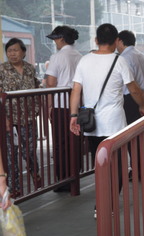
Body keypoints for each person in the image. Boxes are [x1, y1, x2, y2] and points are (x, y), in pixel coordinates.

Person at [69, 23, 144, 218]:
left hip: (91, 123)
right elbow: (134, 89)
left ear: (96, 40)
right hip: (114, 123)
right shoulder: (119, 61)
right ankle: (108, 203)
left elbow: (76, 91)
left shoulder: (85, 61)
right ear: (115, 42)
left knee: (100, 164)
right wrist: (142, 105)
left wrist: (73, 116)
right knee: (119, 164)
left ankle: (100, 205)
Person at [0, 38, 41, 197]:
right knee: (11, 155)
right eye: (9, 51)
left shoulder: (30, 69)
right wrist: (4, 118)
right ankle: (14, 187)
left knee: (29, 150)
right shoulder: (2, 69)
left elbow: (36, 87)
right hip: (9, 119)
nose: (12, 54)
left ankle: (35, 173)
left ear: (23, 52)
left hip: (28, 117)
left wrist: (37, 109)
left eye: (15, 50)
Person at [46, 26, 82, 192]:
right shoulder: (80, 56)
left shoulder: (57, 57)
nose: (54, 42)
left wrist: (49, 105)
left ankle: (63, 180)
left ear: (61, 38)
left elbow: (51, 83)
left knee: (60, 143)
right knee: (74, 141)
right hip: (78, 105)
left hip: (61, 105)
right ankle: (76, 174)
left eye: (55, 39)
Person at [116, 30, 144, 124]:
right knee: (140, 128)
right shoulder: (142, 56)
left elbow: (131, 86)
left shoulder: (124, 58)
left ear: (120, 41)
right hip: (142, 97)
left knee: (129, 130)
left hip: (130, 98)